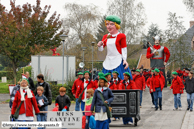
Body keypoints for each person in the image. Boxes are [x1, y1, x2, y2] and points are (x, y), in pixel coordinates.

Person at [97, 15, 132, 80]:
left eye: (112, 24)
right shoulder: (105, 36)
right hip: (108, 60)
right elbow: (101, 49)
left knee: (120, 78)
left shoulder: (121, 36)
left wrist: (124, 59)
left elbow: (124, 48)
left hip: (118, 60)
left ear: (116, 25)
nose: (109, 26)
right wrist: (100, 45)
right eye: (107, 24)